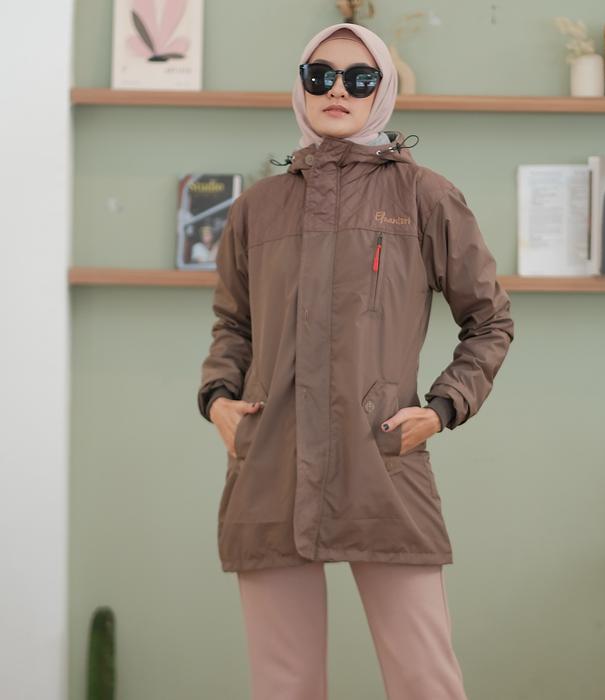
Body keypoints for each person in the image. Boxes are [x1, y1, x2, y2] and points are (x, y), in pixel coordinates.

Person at [197, 22, 515, 700]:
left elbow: (489, 321)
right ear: (302, 87)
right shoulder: (256, 208)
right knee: (284, 685)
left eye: (359, 77)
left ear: (382, 90)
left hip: (381, 459)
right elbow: (233, 324)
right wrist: (218, 400)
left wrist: (442, 409)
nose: (337, 90)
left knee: (424, 680)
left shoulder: (425, 196)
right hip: (272, 461)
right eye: (321, 75)